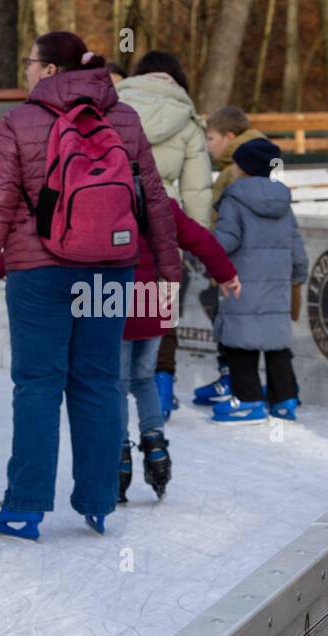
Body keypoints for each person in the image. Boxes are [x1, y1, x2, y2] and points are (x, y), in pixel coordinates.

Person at [0, 31, 180, 540]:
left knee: (39, 384)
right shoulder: (123, 117)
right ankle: (99, 500)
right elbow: (152, 197)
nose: (25, 69)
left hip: (39, 272)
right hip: (112, 266)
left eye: (29, 61)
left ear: (50, 70)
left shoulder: (19, 120)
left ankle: (25, 506)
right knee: (100, 382)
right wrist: (169, 272)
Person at [118, 198, 238, 502]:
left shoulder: (104, 198)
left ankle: (118, 453)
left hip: (113, 300)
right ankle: (155, 445)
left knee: (114, 385)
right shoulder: (162, 204)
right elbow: (199, 237)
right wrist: (225, 273)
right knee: (144, 378)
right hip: (156, 301)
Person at [115, 50, 212, 418]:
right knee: (162, 302)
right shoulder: (187, 120)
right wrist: (195, 241)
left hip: (117, 213)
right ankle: (161, 386)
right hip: (165, 219)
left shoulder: (116, 106)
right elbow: (198, 189)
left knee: (116, 299)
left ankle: (114, 384)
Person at [210, 139, 308, 425]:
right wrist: (298, 277)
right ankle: (285, 399)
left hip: (244, 283)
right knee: (276, 343)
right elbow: (296, 246)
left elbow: (228, 239)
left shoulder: (234, 198)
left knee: (240, 343)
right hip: (276, 286)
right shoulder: (283, 202)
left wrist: (204, 248)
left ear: (242, 167)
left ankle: (249, 400)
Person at [192, 105, 269, 406]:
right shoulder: (256, 158)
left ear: (229, 136)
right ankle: (234, 376)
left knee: (228, 316)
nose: (207, 146)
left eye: (210, 139)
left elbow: (229, 219)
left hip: (236, 261)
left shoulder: (237, 169)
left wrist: (214, 251)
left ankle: (233, 379)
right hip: (245, 260)